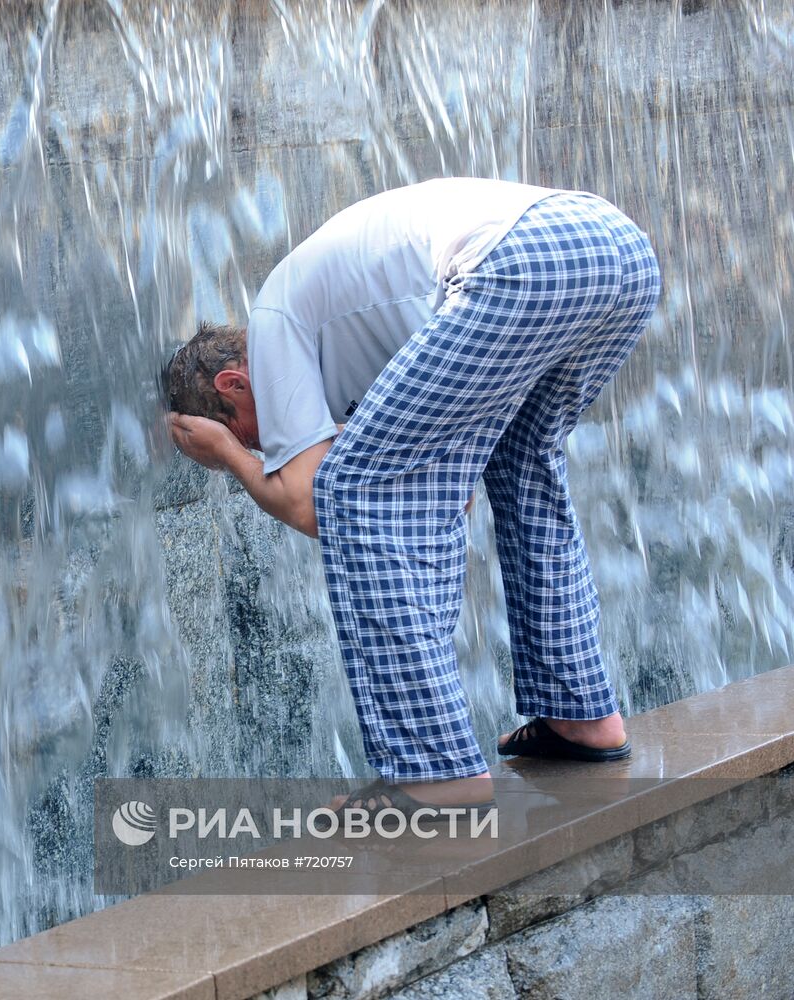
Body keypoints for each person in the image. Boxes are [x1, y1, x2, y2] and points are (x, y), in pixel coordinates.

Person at [162, 177, 659, 818]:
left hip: (520, 262)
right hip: (615, 249)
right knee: (522, 464)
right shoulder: (360, 337)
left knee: (350, 492)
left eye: (250, 435)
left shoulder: (274, 322)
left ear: (234, 385)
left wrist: (228, 457)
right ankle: (583, 717)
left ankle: (433, 769)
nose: (265, 451)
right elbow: (448, 493)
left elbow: (316, 504)